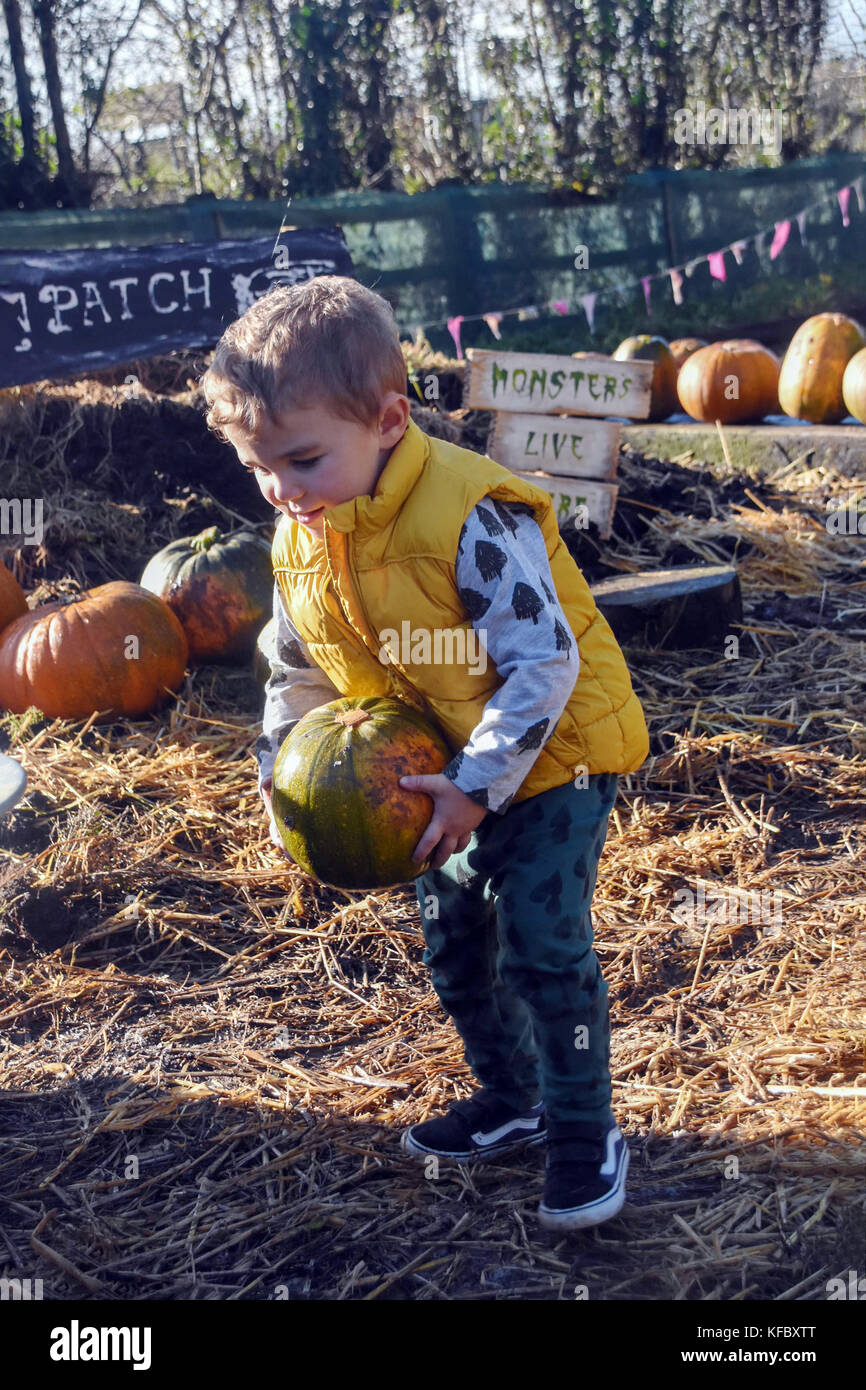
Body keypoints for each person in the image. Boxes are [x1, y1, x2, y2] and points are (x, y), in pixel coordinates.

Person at [200, 275, 649, 1232]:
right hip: (434, 767)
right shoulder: (300, 535)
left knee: (542, 948)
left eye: (303, 459)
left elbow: (544, 665)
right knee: (454, 949)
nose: (281, 489)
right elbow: (301, 669)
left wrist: (478, 788)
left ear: (391, 419)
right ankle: (514, 1094)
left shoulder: (467, 518)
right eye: (258, 468)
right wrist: (286, 776)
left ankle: (583, 1128)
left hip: (552, 755)